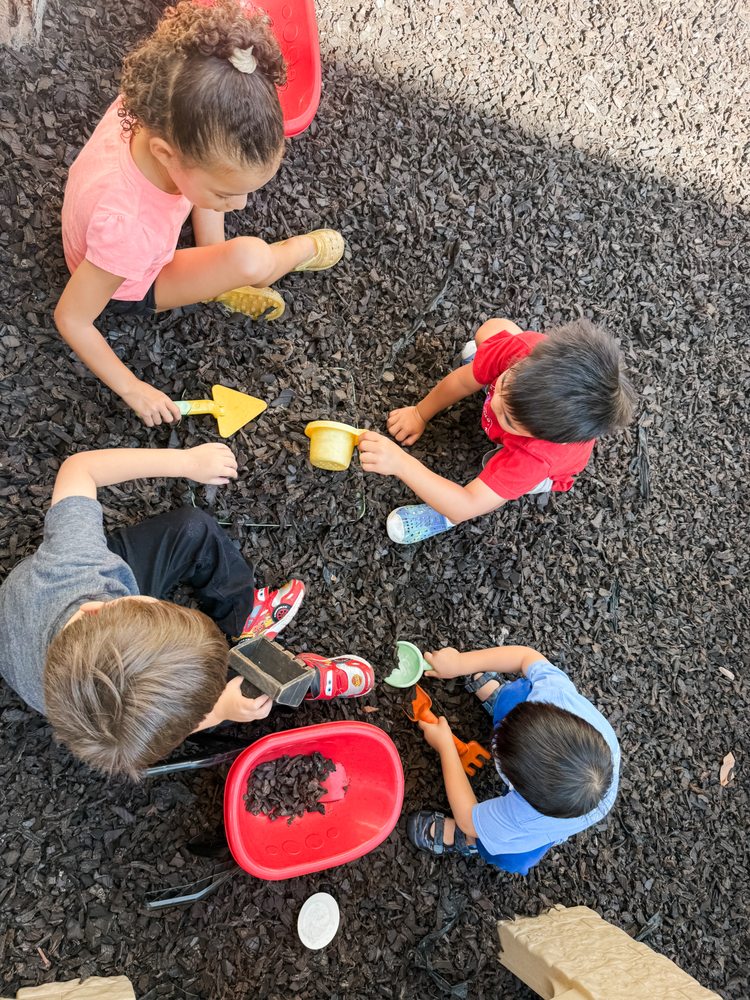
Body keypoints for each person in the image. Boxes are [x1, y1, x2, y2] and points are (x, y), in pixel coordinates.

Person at [0, 446, 373, 779]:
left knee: (193, 529)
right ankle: (298, 677)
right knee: (231, 694)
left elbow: (79, 468)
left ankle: (243, 616)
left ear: (100, 609)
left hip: (50, 604)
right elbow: (161, 727)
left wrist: (186, 461)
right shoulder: (108, 726)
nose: (162, 600)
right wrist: (222, 708)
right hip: (70, 638)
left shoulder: (73, 562)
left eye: (157, 607)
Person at [56, 0, 344, 428]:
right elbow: (72, 318)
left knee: (214, 217)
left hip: (132, 225)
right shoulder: (129, 231)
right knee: (252, 259)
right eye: (228, 191)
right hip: (128, 282)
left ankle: (213, 256)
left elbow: (197, 174)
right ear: (166, 153)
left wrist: (212, 192)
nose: (242, 204)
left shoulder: (156, 107)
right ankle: (285, 256)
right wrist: (134, 387)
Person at [358, 317, 636, 544]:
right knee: (491, 331)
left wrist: (402, 463)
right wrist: (420, 412)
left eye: (511, 420)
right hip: (524, 390)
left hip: (544, 471)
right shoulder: (524, 353)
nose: (495, 405)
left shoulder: (535, 457)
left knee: (484, 494)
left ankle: (444, 518)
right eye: (503, 387)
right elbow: (463, 382)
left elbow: (467, 501)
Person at [406, 643, 619, 873]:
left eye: (500, 751)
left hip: (537, 829)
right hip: (559, 767)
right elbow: (526, 656)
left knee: (510, 854)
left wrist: (446, 746)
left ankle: (468, 841)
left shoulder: (524, 817)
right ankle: (501, 700)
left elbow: (467, 818)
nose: (495, 739)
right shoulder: (557, 697)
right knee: (515, 697)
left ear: (520, 791)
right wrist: (460, 663)